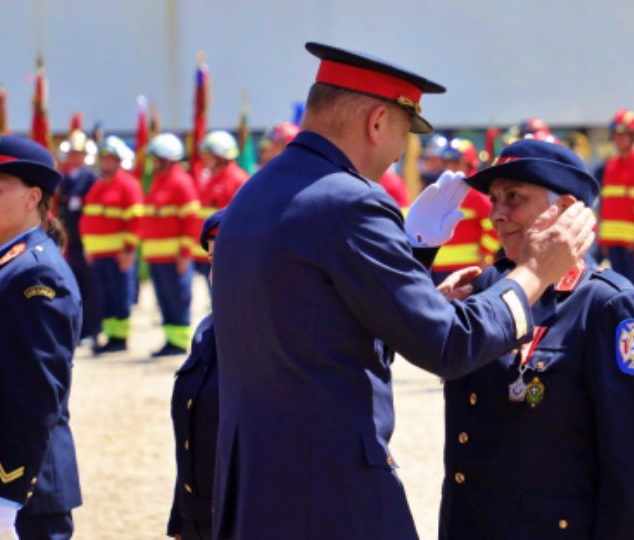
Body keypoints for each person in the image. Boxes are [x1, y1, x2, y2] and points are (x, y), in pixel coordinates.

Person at [210, 42, 597, 539]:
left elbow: (321, 326)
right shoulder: (350, 203)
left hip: (259, 486)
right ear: (377, 122)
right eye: (404, 133)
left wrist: (419, 278)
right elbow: (448, 346)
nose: (399, 155)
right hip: (327, 491)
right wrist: (537, 272)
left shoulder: (255, 192)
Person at [433, 138, 634, 539]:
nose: (497, 214)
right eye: (493, 200)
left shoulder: (611, 308)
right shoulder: (486, 290)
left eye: (514, 197)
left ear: (563, 212)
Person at [0, 136, 83, 539]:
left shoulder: (36, 274)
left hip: (17, 497)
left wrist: (5, 495)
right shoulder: (1, 264)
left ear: (33, 197)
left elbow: (33, 395)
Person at [167, 210, 224, 540]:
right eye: (213, 259)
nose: (216, 275)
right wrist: (183, 521)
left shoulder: (281, 339)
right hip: (203, 516)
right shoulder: (209, 330)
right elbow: (196, 430)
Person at [79, 136, 143, 353]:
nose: (106, 163)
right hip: (97, 254)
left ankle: (120, 339)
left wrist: (128, 250)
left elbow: (135, 220)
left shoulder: (128, 185)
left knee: (120, 296)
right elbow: (88, 219)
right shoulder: (97, 186)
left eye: (110, 159)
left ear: (119, 161)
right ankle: (111, 337)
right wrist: (89, 248)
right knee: (103, 297)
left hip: (118, 254)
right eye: (104, 159)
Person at [142, 133, 201, 356]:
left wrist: (185, 253)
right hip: (157, 256)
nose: (153, 163)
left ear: (169, 159)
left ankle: (179, 343)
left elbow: (192, 220)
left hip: (174, 257)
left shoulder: (181, 182)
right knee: (165, 301)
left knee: (178, 299)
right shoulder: (158, 181)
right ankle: (170, 340)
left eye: (157, 159)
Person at [428, 138, 497, 284]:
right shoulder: (440, 189)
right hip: (437, 268)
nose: (451, 167)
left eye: (457, 162)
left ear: (470, 163)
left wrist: (485, 253)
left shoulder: (475, 193)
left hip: (466, 269)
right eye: (447, 162)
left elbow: (494, 225)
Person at [598, 109, 634, 291]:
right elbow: (607, 203)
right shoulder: (612, 164)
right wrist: (604, 239)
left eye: (623, 135)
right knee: (620, 291)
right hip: (614, 242)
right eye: (616, 135)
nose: (618, 139)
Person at [56, 129, 100, 343]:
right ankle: (81, 331)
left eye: (78, 153)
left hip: (87, 241)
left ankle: (93, 329)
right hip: (71, 241)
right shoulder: (64, 180)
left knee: (91, 287)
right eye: (72, 153)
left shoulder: (91, 178)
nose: (74, 157)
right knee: (76, 288)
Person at [192, 131, 247, 282]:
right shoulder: (211, 178)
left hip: (226, 253)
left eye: (208, 155)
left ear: (221, 157)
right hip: (209, 252)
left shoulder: (237, 179)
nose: (204, 159)